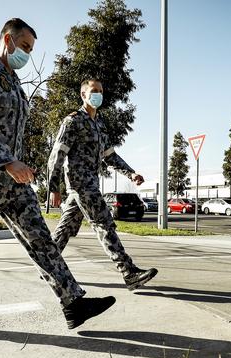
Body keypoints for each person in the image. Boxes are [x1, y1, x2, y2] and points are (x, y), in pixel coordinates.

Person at [0, 19, 115, 337]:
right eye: (25, 47)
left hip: (15, 183)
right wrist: (5, 162)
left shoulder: (15, 84)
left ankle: (73, 304)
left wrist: (23, 166)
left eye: (31, 49)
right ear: (8, 39)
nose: (27, 54)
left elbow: (14, 133)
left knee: (42, 241)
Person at [48, 79, 158, 291]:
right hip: (81, 184)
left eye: (100, 90)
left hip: (87, 185)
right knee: (104, 224)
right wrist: (54, 187)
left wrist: (131, 173)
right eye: (93, 91)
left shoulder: (99, 124)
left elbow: (110, 156)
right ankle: (128, 272)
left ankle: (46, 266)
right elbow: (57, 155)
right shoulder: (72, 121)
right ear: (83, 95)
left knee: (64, 230)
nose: (97, 94)